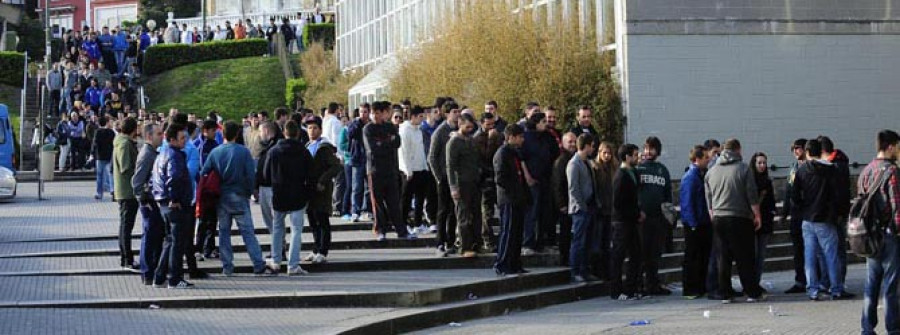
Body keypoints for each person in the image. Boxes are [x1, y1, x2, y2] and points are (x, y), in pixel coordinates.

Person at [202, 121, 270, 276]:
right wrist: (250, 191)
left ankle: (227, 267)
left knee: (224, 232)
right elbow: (251, 174)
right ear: (237, 134)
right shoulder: (243, 152)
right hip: (239, 195)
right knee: (248, 232)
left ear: (222, 133)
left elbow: (204, 172)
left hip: (222, 197)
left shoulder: (215, 152)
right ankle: (258, 264)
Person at [705, 138, 765, 303]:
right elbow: (752, 196)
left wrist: (713, 215)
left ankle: (725, 293)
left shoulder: (711, 171)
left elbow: (708, 198)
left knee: (722, 258)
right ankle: (751, 292)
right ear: (738, 150)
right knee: (745, 257)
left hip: (718, 218)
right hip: (740, 218)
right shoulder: (744, 169)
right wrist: (757, 215)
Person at [792, 139, 852, 301]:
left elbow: (795, 196)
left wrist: (803, 209)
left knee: (810, 255)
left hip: (807, 218)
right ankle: (836, 288)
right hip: (825, 218)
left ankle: (813, 289)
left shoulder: (802, 170)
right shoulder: (831, 170)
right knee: (831, 255)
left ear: (807, 152)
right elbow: (838, 195)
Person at [859, 129, 900, 335]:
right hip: (889, 234)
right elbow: (896, 205)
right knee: (891, 286)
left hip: (869, 235)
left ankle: (867, 328)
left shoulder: (866, 170)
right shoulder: (891, 171)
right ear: (890, 146)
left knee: (871, 283)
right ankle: (893, 328)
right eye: (898, 147)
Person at [262, 120, 314, 275]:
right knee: (296, 230)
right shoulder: (304, 151)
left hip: (279, 194)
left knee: (277, 228)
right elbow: (311, 175)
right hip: (298, 193)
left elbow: (265, 174)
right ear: (298, 133)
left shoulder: (274, 151)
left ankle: (276, 261)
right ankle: (293, 265)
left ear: (284, 133)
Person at [151, 123, 194, 289]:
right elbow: (174, 177)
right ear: (172, 139)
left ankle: (159, 276)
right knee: (177, 242)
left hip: (163, 203)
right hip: (175, 204)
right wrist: (174, 198)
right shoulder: (175, 155)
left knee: (169, 241)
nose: (185, 141)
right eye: (182, 138)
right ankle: (175, 279)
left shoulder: (162, 154)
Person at [364, 101, 412, 240]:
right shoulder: (368, 129)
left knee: (393, 201)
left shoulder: (390, 126)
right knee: (377, 202)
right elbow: (372, 148)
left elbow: (397, 142)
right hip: (374, 170)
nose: (375, 116)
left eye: (377, 113)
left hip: (390, 169)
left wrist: (384, 142)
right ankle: (380, 229)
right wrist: (387, 142)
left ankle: (401, 230)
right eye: (373, 113)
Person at [636, 136, 674, 296]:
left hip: (658, 218)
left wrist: (669, 217)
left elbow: (667, 196)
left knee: (655, 254)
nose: (648, 151)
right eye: (646, 148)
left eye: (652, 148)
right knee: (641, 253)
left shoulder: (662, 170)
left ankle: (653, 284)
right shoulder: (638, 169)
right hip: (642, 218)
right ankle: (639, 285)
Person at [303, 116, 342, 264]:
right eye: (309, 128)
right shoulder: (308, 146)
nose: (311, 131)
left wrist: (323, 180)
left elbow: (336, 166)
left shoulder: (324, 148)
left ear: (320, 129)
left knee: (322, 220)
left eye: (314, 128)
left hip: (321, 189)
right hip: (310, 189)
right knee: (312, 220)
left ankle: (323, 251)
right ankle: (315, 248)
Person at [493, 124, 530, 276]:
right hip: (509, 199)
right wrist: (514, 190)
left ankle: (515, 263)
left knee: (517, 232)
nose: (522, 140)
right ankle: (503, 263)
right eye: (520, 137)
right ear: (511, 137)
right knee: (508, 232)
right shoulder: (502, 154)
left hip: (518, 199)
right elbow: (501, 178)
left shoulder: (515, 153)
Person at [610, 144, 645, 300]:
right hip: (622, 221)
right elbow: (618, 202)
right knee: (619, 254)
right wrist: (634, 213)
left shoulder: (634, 173)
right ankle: (616, 289)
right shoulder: (620, 175)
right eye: (635, 155)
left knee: (636, 254)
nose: (637, 158)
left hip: (632, 220)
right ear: (627, 157)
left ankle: (632, 287)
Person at [521, 112, 559, 255]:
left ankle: (542, 242)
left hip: (546, 179)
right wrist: (527, 176)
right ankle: (528, 242)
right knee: (532, 212)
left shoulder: (548, 137)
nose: (546, 124)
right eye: (543, 121)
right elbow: (522, 158)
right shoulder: (527, 137)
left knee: (545, 212)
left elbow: (554, 153)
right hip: (533, 179)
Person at [447, 113, 482, 257]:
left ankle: (476, 244)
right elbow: (450, 166)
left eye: (471, 126)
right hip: (462, 183)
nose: (470, 129)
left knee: (476, 215)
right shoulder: (454, 142)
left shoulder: (472, 140)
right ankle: (465, 246)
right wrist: (453, 187)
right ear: (460, 125)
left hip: (474, 182)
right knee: (463, 216)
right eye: (467, 126)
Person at [133, 123, 164, 285]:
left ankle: (152, 269)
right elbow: (137, 182)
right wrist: (145, 201)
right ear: (149, 136)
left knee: (155, 235)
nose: (162, 136)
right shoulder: (147, 154)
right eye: (159, 134)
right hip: (149, 203)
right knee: (150, 236)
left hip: (152, 201)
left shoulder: (152, 152)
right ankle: (147, 271)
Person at [680, 145, 712, 299]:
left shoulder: (700, 175)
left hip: (702, 222)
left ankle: (700, 286)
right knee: (692, 257)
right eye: (706, 157)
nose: (709, 159)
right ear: (697, 159)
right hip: (694, 224)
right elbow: (687, 202)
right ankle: (690, 288)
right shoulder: (690, 177)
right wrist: (692, 223)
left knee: (702, 256)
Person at [429, 101, 461, 256]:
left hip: (457, 177)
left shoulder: (460, 130)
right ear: (447, 113)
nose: (457, 114)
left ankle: (451, 241)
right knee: (443, 210)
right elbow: (432, 157)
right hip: (444, 177)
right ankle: (439, 243)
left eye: (458, 111)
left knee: (454, 212)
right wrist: (439, 177)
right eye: (454, 111)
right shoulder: (440, 132)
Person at [818, 135, 851, 283]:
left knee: (836, 249)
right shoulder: (840, 163)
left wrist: (837, 212)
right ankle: (836, 281)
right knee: (836, 249)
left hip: (834, 213)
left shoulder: (834, 166)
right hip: (837, 212)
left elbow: (839, 192)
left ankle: (836, 281)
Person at [567, 133, 598, 282]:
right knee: (579, 241)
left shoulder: (587, 162)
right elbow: (574, 188)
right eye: (591, 146)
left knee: (588, 241)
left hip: (590, 206)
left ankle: (585, 269)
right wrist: (582, 206)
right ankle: (576, 270)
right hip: (580, 210)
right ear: (586, 146)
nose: (593, 149)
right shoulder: (574, 163)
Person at [473, 112, 504, 251]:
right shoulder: (477, 138)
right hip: (484, 179)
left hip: (496, 177)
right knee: (487, 212)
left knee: (500, 209)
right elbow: (486, 156)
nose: (491, 127)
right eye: (488, 124)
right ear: (481, 124)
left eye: (492, 124)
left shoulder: (497, 135)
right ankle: (488, 240)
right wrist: (491, 140)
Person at [112, 117, 139, 271]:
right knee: (126, 226)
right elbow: (125, 167)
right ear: (133, 129)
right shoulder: (124, 144)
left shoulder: (120, 142)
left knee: (125, 226)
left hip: (124, 190)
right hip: (127, 191)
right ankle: (127, 259)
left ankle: (126, 258)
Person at [783, 138, 809, 294]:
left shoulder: (811, 167)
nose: (795, 152)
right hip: (795, 214)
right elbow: (788, 190)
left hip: (808, 212)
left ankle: (814, 279)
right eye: (793, 149)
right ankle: (800, 280)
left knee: (811, 249)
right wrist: (785, 212)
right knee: (798, 249)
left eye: (798, 148)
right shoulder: (793, 168)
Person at [399, 106, 430, 234]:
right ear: (413, 117)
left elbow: (421, 151)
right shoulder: (405, 130)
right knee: (406, 198)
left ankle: (418, 223)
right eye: (420, 117)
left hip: (420, 168)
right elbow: (404, 152)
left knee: (420, 197)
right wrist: (408, 170)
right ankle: (403, 223)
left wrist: (425, 166)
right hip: (409, 170)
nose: (422, 120)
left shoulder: (419, 130)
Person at [590, 141, 618, 280]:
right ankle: (597, 270)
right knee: (598, 243)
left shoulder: (614, 169)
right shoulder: (595, 168)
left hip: (610, 210)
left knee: (607, 243)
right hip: (599, 210)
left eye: (609, 153)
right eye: (604, 153)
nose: (607, 156)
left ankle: (607, 271)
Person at [193, 120, 220, 260]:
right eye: (212, 131)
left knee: (213, 220)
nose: (215, 133)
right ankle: (198, 247)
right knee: (202, 220)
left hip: (214, 188)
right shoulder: (198, 146)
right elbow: (197, 167)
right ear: (205, 131)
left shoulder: (216, 145)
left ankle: (210, 247)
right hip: (203, 188)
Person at [750, 152, 776, 289]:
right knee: (752, 255)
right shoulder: (749, 180)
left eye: (764, 163)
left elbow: (771, 201)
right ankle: (750, 283)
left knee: (761, 255)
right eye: (759, 163)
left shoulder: (767, 181)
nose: (762, 165)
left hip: (765, 220)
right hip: (752, 220)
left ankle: (756, 282)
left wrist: (772, 213)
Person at [256, 121, 281, 258]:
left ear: (266, 131)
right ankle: (277, 247)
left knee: (275, 221)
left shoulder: (275, 147)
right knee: (270, 221)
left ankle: (278, 249)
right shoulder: (267, 147)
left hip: (272, 187)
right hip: (264, 187)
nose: (259, 135)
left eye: (260, 132)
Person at [552, 132, 577, 265]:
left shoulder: (577, 158)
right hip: (566, 203)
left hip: (574, 202)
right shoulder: (561, 161)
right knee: (565, 232)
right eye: (570, 142)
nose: (573, 144)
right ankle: (564, 258)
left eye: (574, 141)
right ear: (563, 143)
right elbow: (557, 184)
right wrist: (561, 204)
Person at [347, 103, 372, 222]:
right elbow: (350, 134)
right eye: (361, 112)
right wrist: (357, 123)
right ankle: (355, 211)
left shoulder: (371, 124)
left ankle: (367, 210)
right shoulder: (355, 124)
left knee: (369, 187)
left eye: (365, 112)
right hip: (357, 158)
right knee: (357, 186)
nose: (363, 114)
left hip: (369, 159)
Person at [93, 116, 115, 200]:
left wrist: (92, 154)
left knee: (100, 175)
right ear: (106, 122)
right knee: (111, 174)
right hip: (109, 155)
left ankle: (99, 193)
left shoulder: (97, 132)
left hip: (99, 156)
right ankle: (112, 190)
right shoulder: (111, 132)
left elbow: (95, 144)